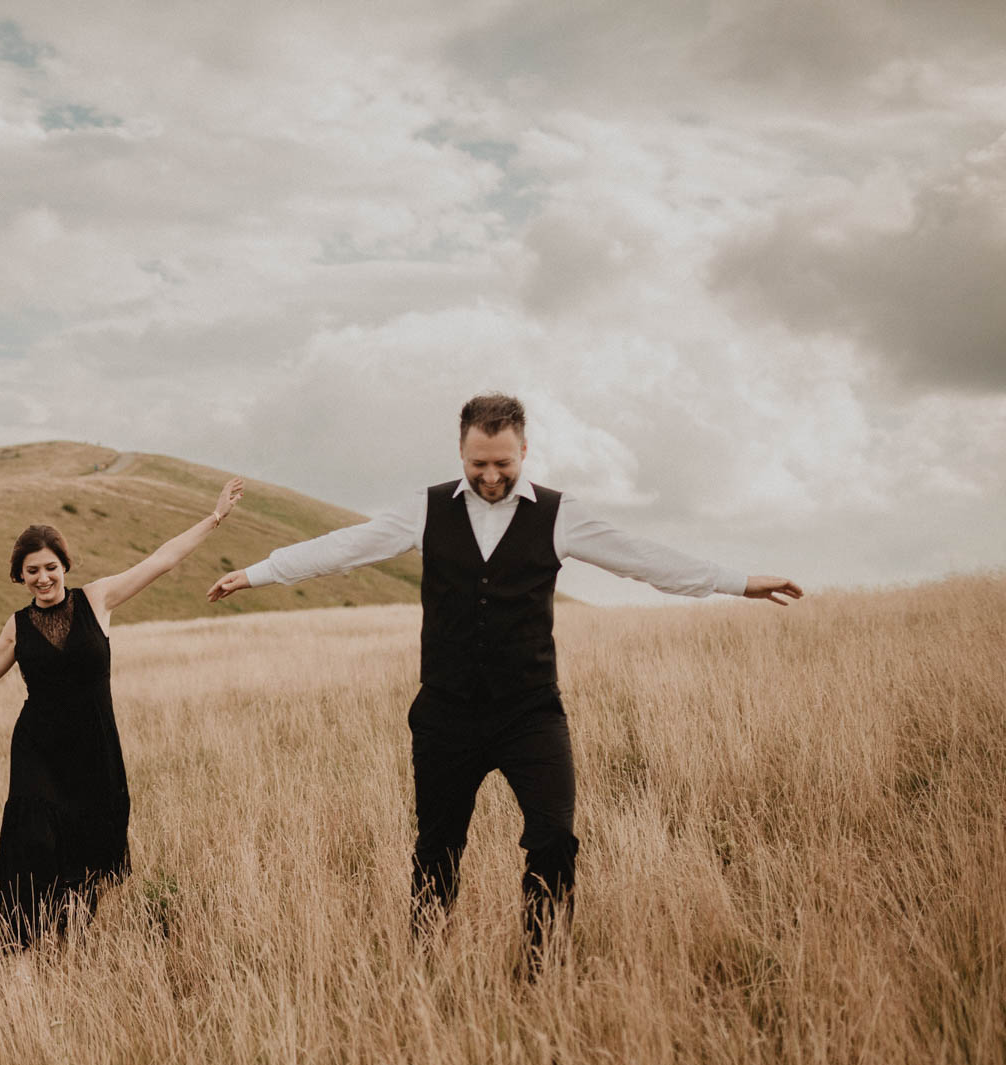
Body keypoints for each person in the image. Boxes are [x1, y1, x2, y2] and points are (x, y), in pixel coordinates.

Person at [207, 394, 801, 968]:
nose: (491, 476)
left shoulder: (559, 515)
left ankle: (544, 964)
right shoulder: (427, 508)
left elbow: (643, 558)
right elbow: (344, 549)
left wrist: (739, 581)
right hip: (446, 713)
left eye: (503, 463)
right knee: (436, 849)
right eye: (478, 464)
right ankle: (426, 967)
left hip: (530, 712)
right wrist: (259, 573)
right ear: (461, 452)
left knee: (553, 839)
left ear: (525, 450)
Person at [0, 477, 245, 952]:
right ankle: (17, 942)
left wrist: (214, 518)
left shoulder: (97, 599)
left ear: (64, 565)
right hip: (38, 748)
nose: (43, 578)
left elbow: (161, 560)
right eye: (32, 571)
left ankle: (70, 935)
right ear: (20, 575)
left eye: (50, 567)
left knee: (88, 844)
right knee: (33, 839)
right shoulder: (17, 627)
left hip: (94, 747)